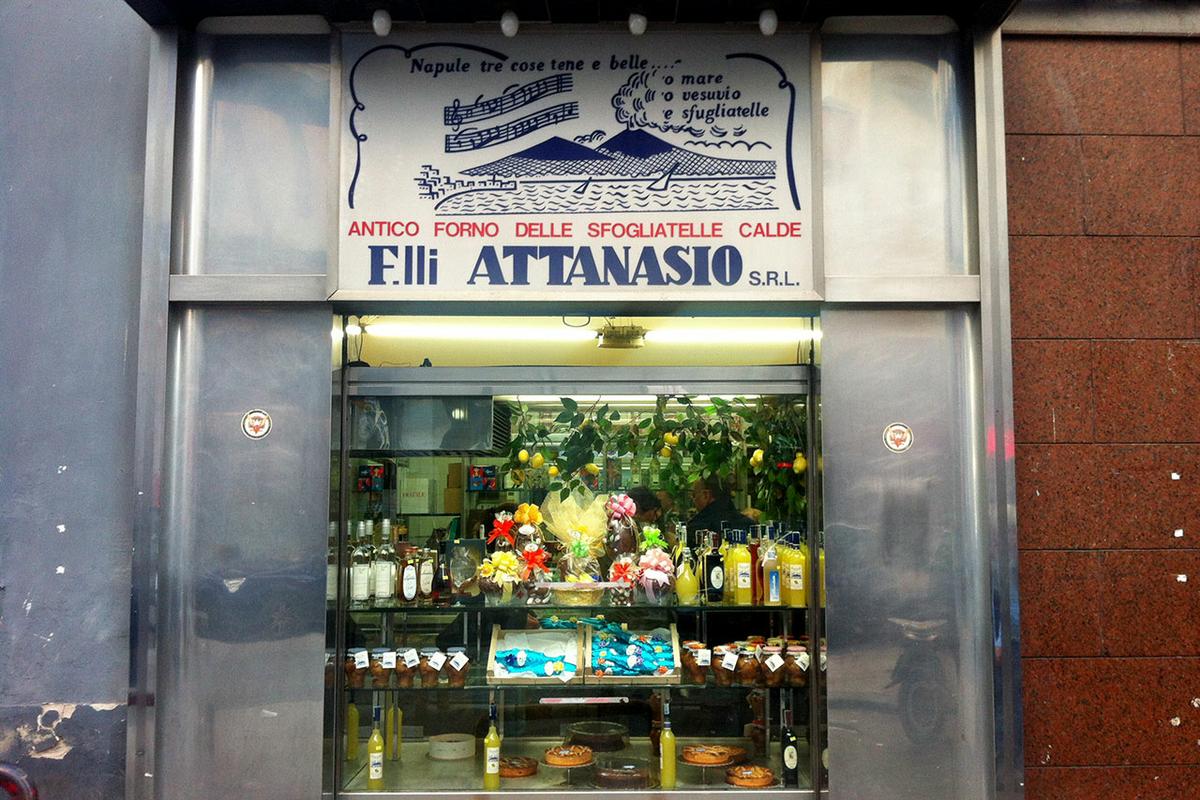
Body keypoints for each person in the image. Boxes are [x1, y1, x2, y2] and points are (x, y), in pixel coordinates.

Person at [687, 475, 756, 535]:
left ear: (706, 495)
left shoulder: (697, 528)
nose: (693, 500)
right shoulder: (750, 525)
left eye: (694, 495)